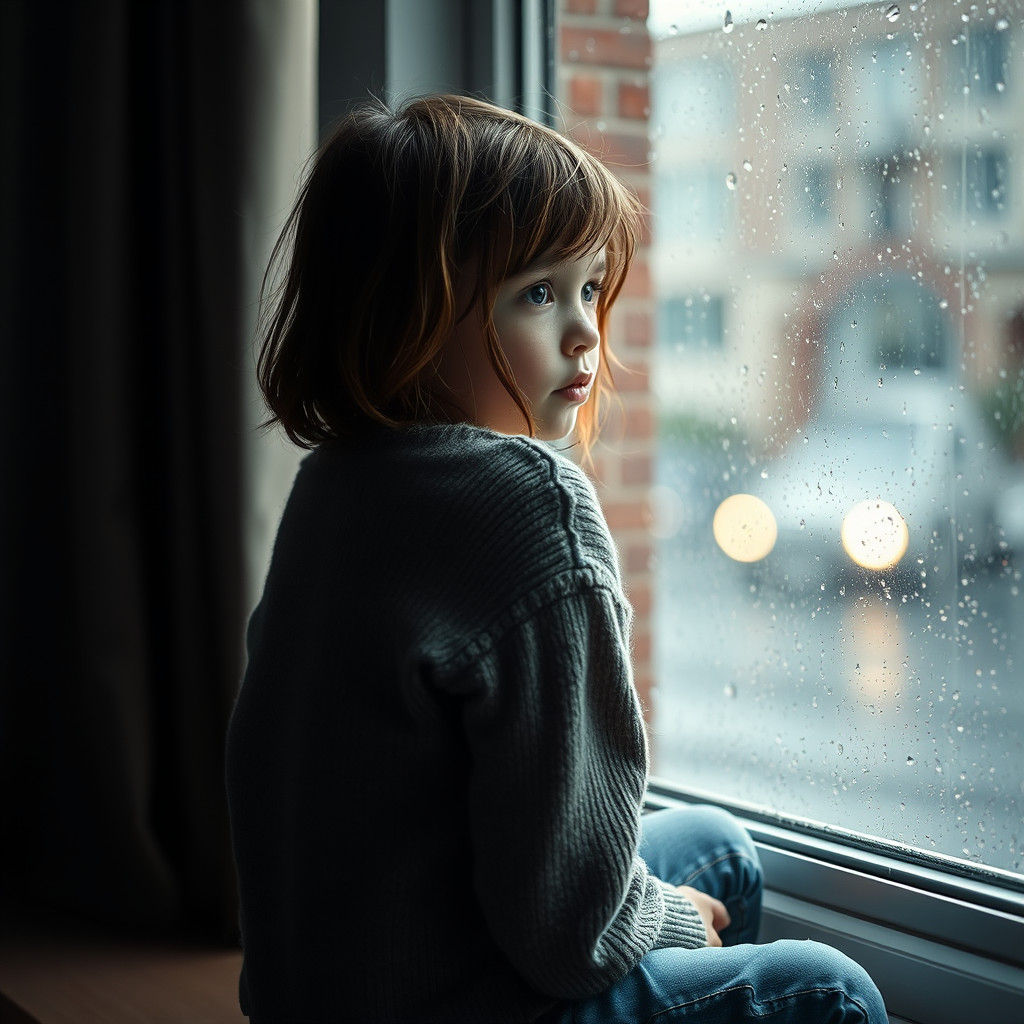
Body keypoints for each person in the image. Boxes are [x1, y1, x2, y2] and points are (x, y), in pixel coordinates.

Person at [224, 93, 887, 1024]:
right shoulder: (533, 503)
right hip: (450, 1001)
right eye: (538, 293)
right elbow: (572, 933)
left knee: (717, 844)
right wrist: (677, 926)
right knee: (830, 985)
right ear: (409, 313)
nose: (585, 331)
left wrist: (655, 912)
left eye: (590, 286)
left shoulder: (338, 480)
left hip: (318, 987)